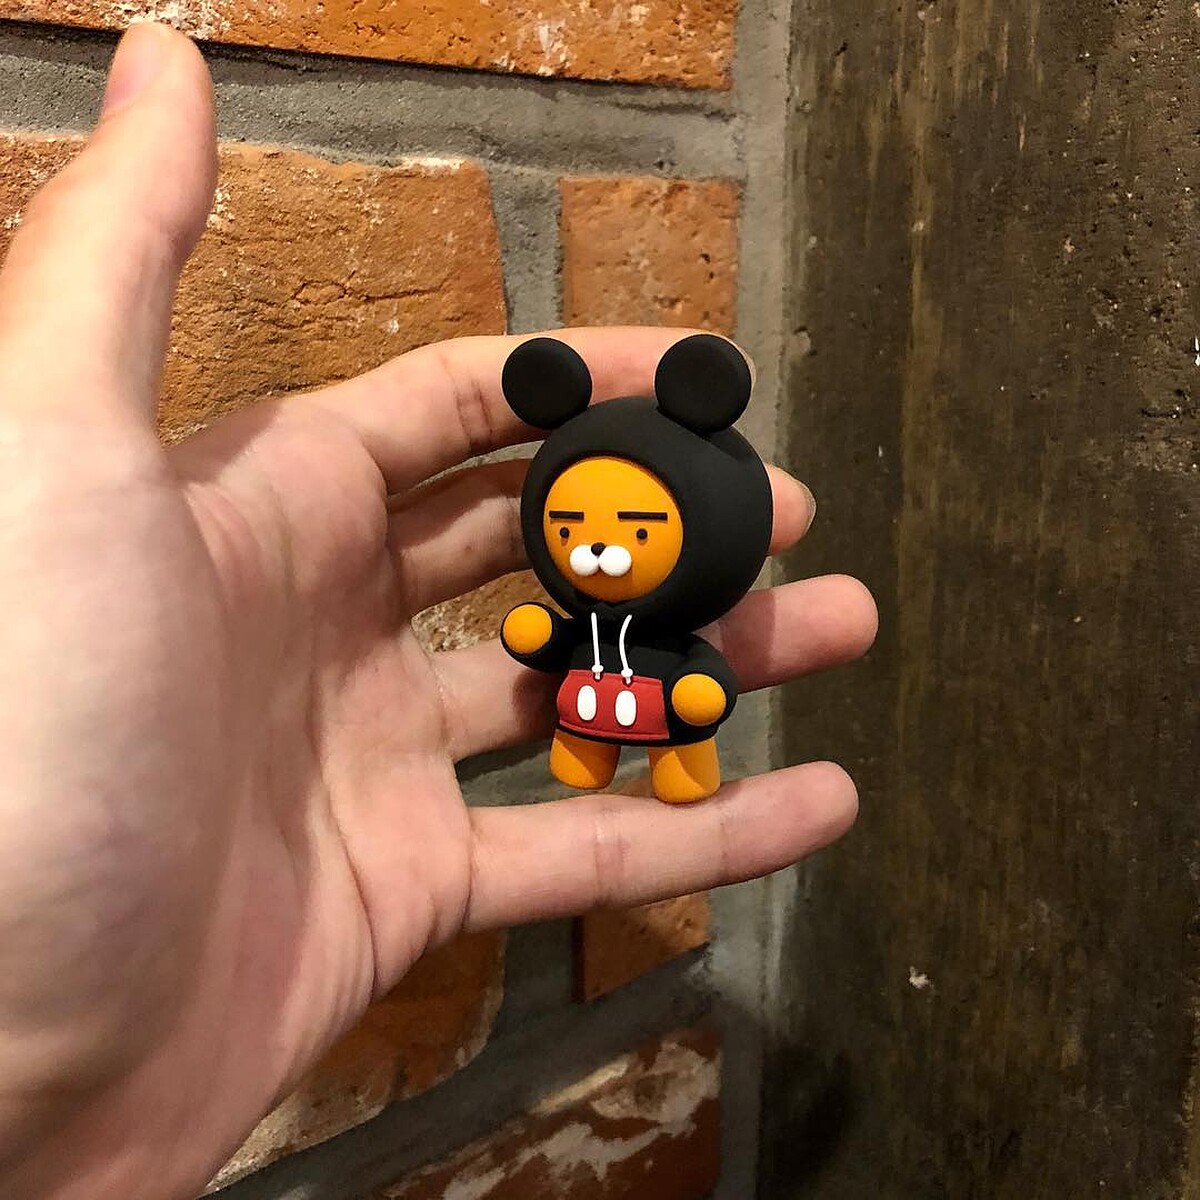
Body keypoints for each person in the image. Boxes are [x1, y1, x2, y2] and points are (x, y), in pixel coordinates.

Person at [0, 21, 878, 1200]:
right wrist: (539, 635)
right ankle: (600, 748)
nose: (599, 548)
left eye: (631, 530)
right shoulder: (577, 594)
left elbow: (694, 662)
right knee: (580, 724)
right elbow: (545, 632)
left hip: (657, 691)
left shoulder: (682, 589)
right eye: (576, 526)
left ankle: (669, 758)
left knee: (677, 731)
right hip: (583, 697)